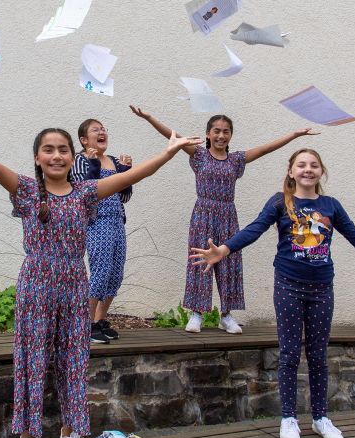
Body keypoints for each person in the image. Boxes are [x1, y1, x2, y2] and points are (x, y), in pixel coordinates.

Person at [0, 100, 200, 438]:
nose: (56, 155)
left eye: (63, 149)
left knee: (74, 361)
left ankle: (71, 435)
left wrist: (167, 153)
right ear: (37, 157)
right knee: (33, 362)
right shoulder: (26, 191)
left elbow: (133, 177)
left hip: (73, 286)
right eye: (48, 149)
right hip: (36, 286)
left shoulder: (85, 193)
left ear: (73, 155)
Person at [190, 148, 355, 438]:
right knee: (290, 353)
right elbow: (254, 229)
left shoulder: (331, 206)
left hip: (321, 289)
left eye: (313, 165)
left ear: (321, 172)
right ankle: (289, 418)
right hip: (288, 286)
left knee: (318, 356)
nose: (307, 169)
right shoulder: (280, 203)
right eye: (301, 165)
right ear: (291, 172)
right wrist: (223, 250)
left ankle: (320, 419)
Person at [130, 105, 318, 334]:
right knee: (200, 260)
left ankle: (226, 315)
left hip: (228, 215)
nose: (221, 135)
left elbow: (266, 149)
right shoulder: (198, 154)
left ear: (231, 135)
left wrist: (295, 135)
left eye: (226, 131)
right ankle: (196, 313)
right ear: (208, 134)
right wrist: (149, 117)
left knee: (230, 262)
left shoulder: (236, 160)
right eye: (216, 131)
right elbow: (172, 136)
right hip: (203, 213)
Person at [71, 119, 133, 344]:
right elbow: (84, 191)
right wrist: (93, 163)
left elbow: (124, 196)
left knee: (116, 273)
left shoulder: (114, 161)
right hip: (97, 222)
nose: (102, 132)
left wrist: (125, 173)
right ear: (84, 140)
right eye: (95, 130)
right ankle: (85, 325)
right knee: (100, 271)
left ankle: (99, 321)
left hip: (117, 221)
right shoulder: (80, 159)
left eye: (103, 129)